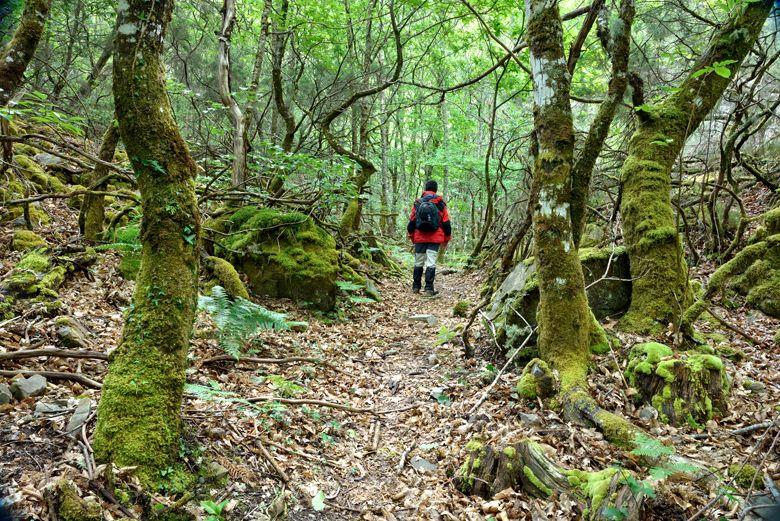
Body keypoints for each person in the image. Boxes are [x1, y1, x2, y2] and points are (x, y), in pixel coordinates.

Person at [407, 180, 451, 295]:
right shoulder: (440, 203)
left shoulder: (418, 202)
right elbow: (446, 222)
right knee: (431, 262)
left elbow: (412, 221)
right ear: (435, 189)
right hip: (435, 237)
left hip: (419, 237)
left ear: (425, 189)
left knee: (418, 261)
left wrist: (412, 236)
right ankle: (429, 288)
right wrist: (446, 238)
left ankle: (416, 287)